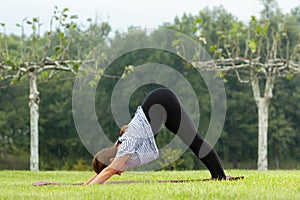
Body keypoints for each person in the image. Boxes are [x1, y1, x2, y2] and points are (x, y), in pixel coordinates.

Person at [83, 88, 227, 185]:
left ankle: (220, 176)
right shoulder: (118, 149)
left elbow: (108, 171)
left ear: (112, 160)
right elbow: (105, 171)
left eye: (115, 171)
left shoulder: (125, 147)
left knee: (193, 139)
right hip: (156, 111)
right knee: (192, 140)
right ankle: (219, 175)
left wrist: (87, 190)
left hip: (161, 101)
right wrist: (86, 184)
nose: (118, 174)